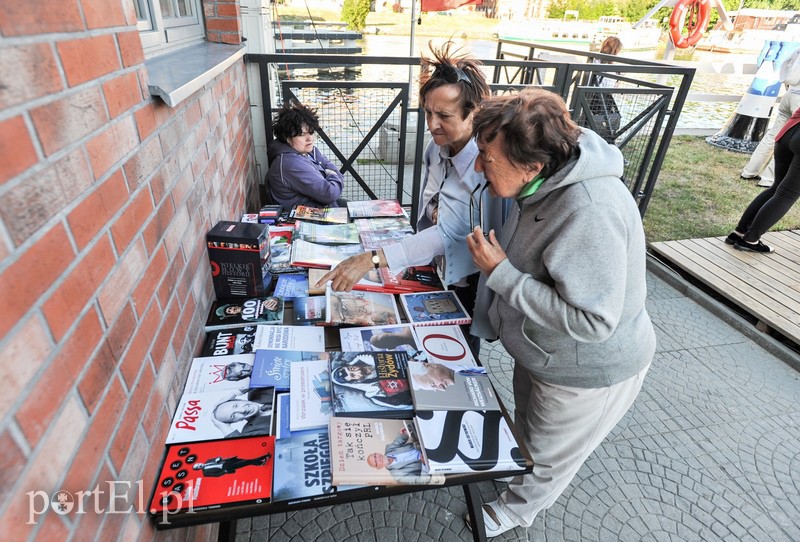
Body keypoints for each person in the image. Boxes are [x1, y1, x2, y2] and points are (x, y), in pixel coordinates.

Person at [464, 88, 655, 538]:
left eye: (486, 158)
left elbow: (594, 321)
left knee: (550, 455)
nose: (477, 166)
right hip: (541, 350)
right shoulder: (545, 172)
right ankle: (517, 476)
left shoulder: (590, 210)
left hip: (588, 368)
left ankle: (514, 511)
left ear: (532, 165)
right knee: (528, 428)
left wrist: (501, 274)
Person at [316, 41, 506, 350]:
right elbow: (431, 209)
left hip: (470, 277)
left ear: (473, 113)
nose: (432, 125)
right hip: (435, 267)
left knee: (461, 349)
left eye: (444, 115)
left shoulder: (481, 165)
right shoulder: (437, 148)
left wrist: (373, 258)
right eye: (428, 112)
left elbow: (449, 233)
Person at [725, 105, 800, 253]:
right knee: (787, 194)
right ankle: (750, 240)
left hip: (788, 131)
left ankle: (739, 233)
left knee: (776, 188)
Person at [266, 100, 345, 209]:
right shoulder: (291, 163)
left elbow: (328, 167)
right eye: (302, 135)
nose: (310, 139)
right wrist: (333, 174)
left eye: (311, 133)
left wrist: (332, 175)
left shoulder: (308, 150)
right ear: (287, 138)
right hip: (312, 219)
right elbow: (330, 193)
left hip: (324, 207)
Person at [741, 46, 800, 187]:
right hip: (798, 100)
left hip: (790, 93)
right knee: (788, 140)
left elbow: (786, 65)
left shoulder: (798, 48)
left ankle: (749, 170)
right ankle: (768, 178)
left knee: (773, 135)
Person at [586, 36, 623, 143]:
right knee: (605, 122)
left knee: (589, 120)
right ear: (616, 50)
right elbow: (613, 87)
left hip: (591, 97)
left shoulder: (594, 60)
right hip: (605, 99)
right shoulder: (614, 67)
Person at [366, 427, 433, 484]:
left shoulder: (389, 448)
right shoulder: (398, 477)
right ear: (379, 468)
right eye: (376, 462)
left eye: (375, 456)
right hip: (431, 461)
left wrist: (404, 433)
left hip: (425, 443)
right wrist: (424, 464)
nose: (378, 458)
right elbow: (423, 481)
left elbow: (401, 438)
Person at [192, 454, 270, 477]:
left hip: (228, 461)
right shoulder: (205, 473)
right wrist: (225, 472)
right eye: (198, 467)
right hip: (227, 467)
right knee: (246, 462)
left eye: (198, 464)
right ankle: (264, 457)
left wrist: (218, 458)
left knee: (246, 461)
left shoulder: (208, 460)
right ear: (198, 469)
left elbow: (218, 457)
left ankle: (260, 463)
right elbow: (216, 475)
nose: (200, 465)